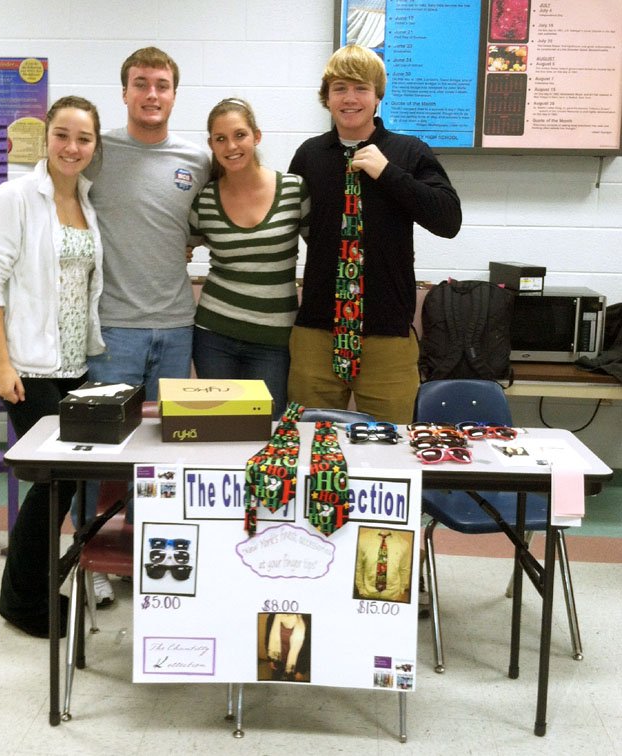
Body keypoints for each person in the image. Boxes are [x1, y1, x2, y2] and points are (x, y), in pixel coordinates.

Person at [80, 47, 210, 604]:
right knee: (101, 449)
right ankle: (91, 559)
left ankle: (149, 552)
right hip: (115, 327)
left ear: (174, 94)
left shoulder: (198, 157)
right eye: (141, 83)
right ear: (125, 91)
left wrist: (189, 242)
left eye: (161, 84)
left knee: (162, 453)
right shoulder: (97, 152)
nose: (151, 94)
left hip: (177, 324)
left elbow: (214, 219)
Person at [0, 96, 104, 638]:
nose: (72, 148)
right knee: (55, 481)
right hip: (26, 368)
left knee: (63, 482)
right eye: (63, 135)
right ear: (46, 138)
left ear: (95, 146)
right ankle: (23, 603)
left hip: (72, 365)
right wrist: (1, 364)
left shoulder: (86, 202)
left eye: (84, 139)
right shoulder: (17, 196)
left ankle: (34, 588)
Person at [287, 44, 462, 423]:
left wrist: (389, 173)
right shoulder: (309, 155)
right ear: (327, 98)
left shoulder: (408, 152)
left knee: (392, 456)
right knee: (307, 447)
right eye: (339, 88)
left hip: (387, 336)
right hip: (317, 331)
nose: (350, 98)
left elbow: (448, 221)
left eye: (361, 88)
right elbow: (289, 223)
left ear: (378, 95)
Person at [188, 98, 309, 418]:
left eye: (239, 135)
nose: (231, 146)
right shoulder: (205, 199)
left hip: (274, 343)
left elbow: (326, 250)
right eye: (220, 139)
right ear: (211, 144)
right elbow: (177, 249)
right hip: (214, 336)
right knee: (217, 428)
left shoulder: (294, 191)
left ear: (257, 136)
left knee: (267, 431)